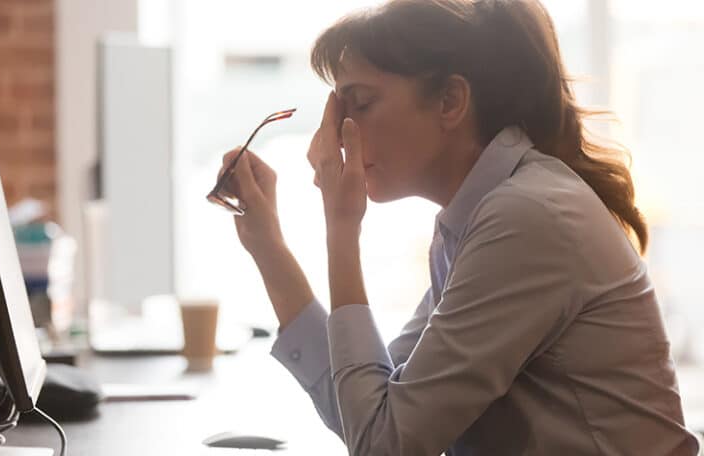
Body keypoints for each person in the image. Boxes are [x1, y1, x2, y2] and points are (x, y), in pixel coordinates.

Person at [215, 0, 700, 454]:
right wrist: (268, 245)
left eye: (358, 105)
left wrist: (342, 227)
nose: (334, 135)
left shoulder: (525, 218)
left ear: (450, 101)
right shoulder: (480, 217)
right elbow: (366, 406)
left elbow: (384, 442)